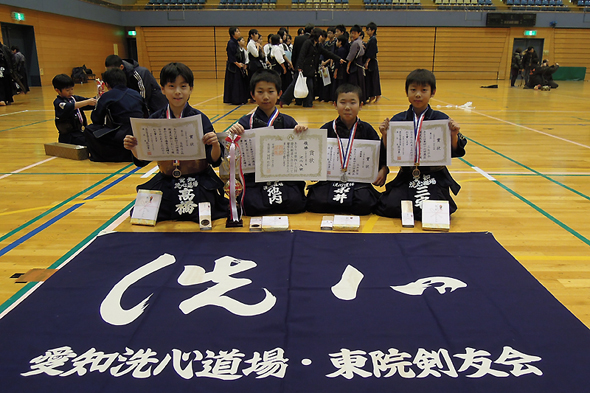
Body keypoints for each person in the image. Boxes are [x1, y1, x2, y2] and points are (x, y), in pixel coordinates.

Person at [124, 62, 228, 222]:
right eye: (172, 86)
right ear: (163, 89)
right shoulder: (155, 119)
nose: (178, 92)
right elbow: (142, 159)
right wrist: (133, 147)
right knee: (144, 212)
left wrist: (214, 144)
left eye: (183, 86)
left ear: (191, 89)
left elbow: (213, 160)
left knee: (209, 207)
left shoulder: (200, 118)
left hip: (198, 177)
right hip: (167, 178)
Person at [374, 69, 467, 220]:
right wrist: (385, 136)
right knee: (388, 206)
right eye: (413, 90)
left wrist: (454, 134)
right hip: (407, 174)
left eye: (424, 90)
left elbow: (456, 150)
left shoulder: (442, 120)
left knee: (438, 210)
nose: (418, 94)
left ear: (433, 92)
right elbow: (386, 151)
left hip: (434, 175)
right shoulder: (397, 120)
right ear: (406, 92)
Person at [227, 70, 309, 216]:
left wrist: (301, 134)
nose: (265, 97)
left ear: (279, 93)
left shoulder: (289, 122)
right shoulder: (245, 123)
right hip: (255, 179)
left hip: (283, 177)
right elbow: (230, 155)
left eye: (271, 91)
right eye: (260, 92)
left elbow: (301, 155)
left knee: (296, 202)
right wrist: (233, 135)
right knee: (250, 205)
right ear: (252, 95)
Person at [306, 84, 387, 216]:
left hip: (358, 182)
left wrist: (383, 169)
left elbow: (379, 157)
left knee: (365, 204)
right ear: (335, 105)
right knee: (314, 201)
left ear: (360, 105)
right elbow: (314, 156)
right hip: (331, 181)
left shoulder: (367, 129)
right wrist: (313, 171)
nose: (347, 107)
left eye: (352, 102)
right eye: (342, 102)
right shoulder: (326, 128)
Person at [84, 68, 144, 162]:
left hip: (122, 134)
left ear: (107, 84)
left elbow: (96, 119)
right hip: (140, 132)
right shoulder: (135, 93)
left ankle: (108, 156)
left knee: (89, 129)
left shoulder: (107, 95)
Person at [280, 27, 344, 108]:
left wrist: (338, 59)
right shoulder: (308, 43)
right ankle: (283, 100)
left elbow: (327, 53)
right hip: (303, 68)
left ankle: (308, 103)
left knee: (310, 86)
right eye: (321, 35)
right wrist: (299, 67)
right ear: (317, 35)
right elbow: (302, 54)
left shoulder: (318, 45)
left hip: (310, 69)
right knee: (295, 85)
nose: (322, 37)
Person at [52, 74, 96, 145]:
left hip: (80, 132)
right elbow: (69, 107)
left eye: (72, 89)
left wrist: (98, 99)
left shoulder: (74, 98)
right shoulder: (58, 102)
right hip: (69, 137)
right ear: (58, 90)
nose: (71, 92)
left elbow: (88, 103)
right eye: (67, 90)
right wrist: (87, 102)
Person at [223, 27, 248, 105]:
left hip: (238, 66)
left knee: (239, 83)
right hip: (233, 67)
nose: (239, 33)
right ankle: (235, 100)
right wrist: (238, 64)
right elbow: (231, 56)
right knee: (235, 84)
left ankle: (240, 99)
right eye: (237, 31)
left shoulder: (236, 42)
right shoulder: (231, 43)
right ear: (233, 34)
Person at [346, 25, 366, 103]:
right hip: (360, 65)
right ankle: (361, 99)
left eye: (354, 33)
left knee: (354, 83)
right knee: (360, 83)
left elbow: (351, 56)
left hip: (355, 66)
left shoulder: (355, 43)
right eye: (351, 33)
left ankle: (356, 99)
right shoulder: (361, 42)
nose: (352, 35)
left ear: (359, 33)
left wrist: (348, 65)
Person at [364, 22, 381, 103]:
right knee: (370, 79)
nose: (367, 31)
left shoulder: (373, 39)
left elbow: (372, 52)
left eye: (369, 30)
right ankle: (372, 96)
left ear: (373, 30)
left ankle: (377, 96)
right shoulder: (370, 39)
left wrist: (367, 62)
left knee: (374, 79)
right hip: (370, 62)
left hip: (372, 62)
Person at [0, 41, 16, 106]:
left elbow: (12, 58)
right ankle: (2, 99)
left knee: (6, 85)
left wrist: (12, 69)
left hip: (5, 70)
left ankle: (7, 99)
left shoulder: (4, 48)